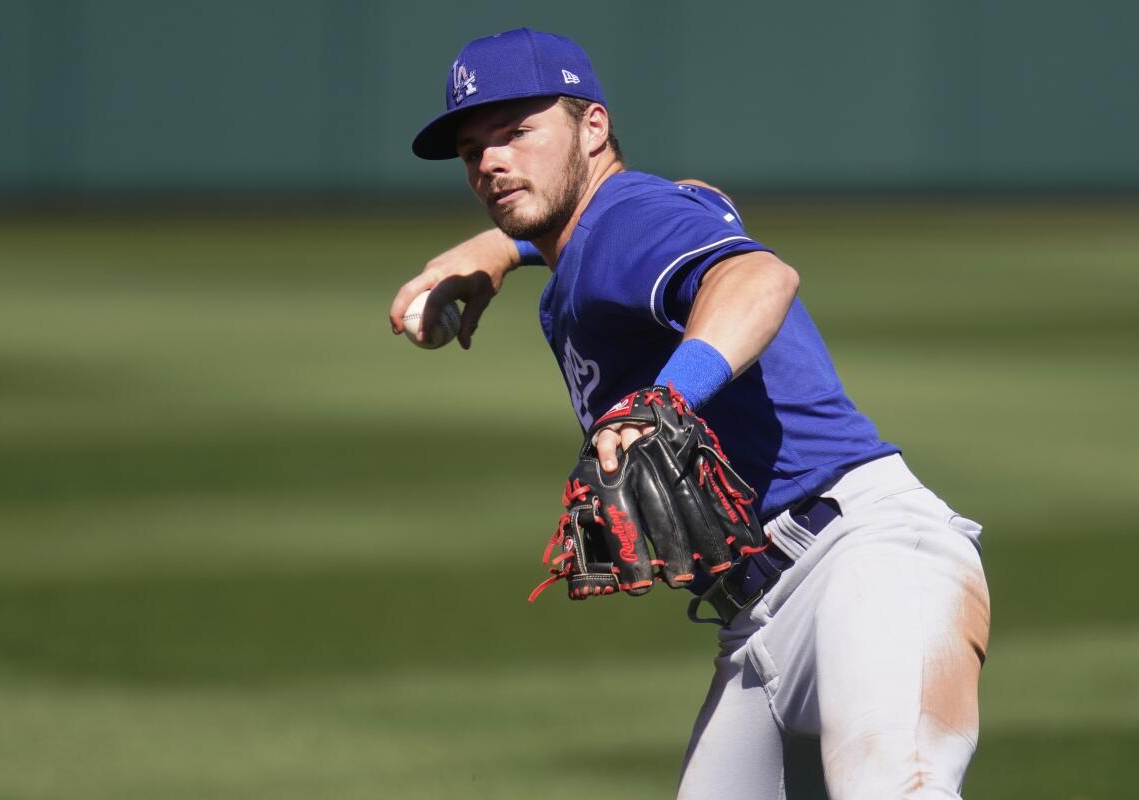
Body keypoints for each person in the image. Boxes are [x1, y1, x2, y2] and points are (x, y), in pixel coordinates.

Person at [390, 27, 990, 800]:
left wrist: (664, 400)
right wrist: (505, 249)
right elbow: (693, 203)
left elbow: (760, 277)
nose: (492, 161)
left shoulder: (626, 218)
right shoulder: (614, 232)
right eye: (474, 148)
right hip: (760, 619)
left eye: (516, 131)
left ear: (594, 125)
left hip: (865, 569)